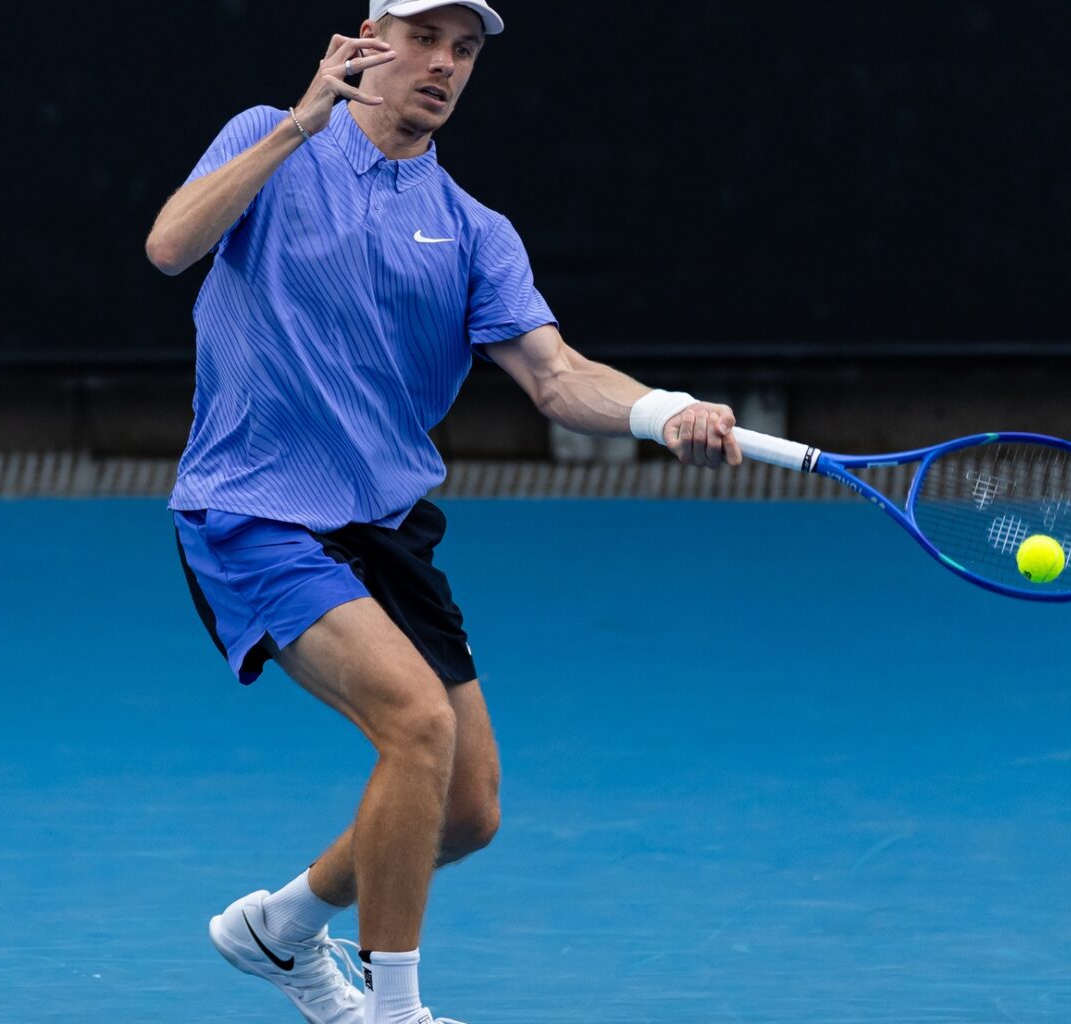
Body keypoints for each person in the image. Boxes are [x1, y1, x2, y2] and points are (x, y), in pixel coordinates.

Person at [144, 1, 740, 1020]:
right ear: (369, 38)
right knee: (416, 726)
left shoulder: (474, 230)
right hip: (254, 511)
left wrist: (662, 408)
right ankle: (396, 1011)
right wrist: (298, 124)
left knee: (465, 809)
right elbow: (169, 246)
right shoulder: (266, 135)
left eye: (464, 51)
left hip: (384, 528)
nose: (445, 65)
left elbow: (556, 377)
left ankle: (278, 929)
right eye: (426, 38)